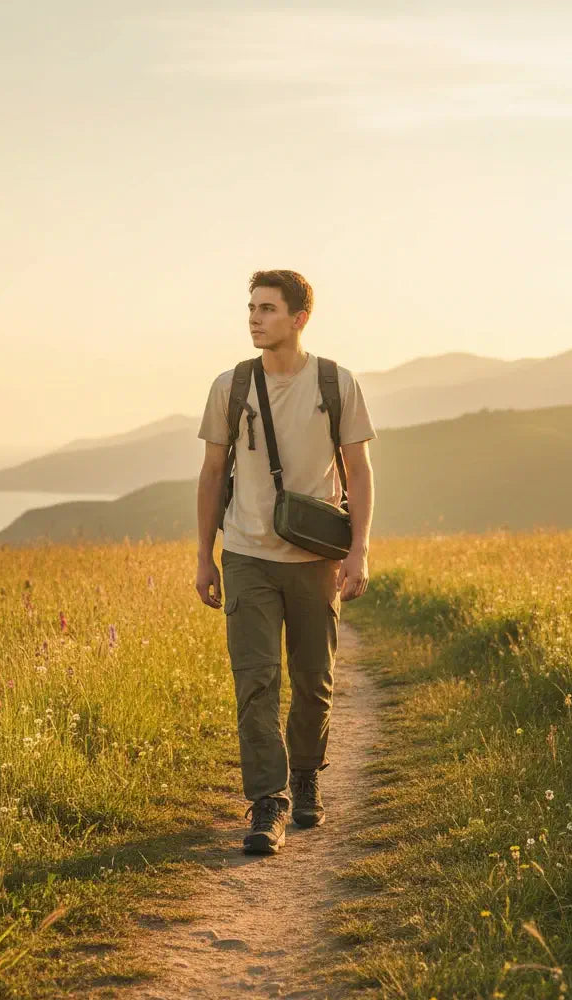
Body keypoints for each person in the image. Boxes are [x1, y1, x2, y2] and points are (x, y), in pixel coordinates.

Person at [194, 269, 377, 855]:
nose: (254, 317)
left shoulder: (335, 384)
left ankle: (304, 776)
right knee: (255, 682)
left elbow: (361, 471)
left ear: (299, 318)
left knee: (313, 683)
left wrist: (358, 551)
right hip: (247, 554)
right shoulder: (231, 386)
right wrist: (205, 556)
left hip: (316, 559)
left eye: (268, 308)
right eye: (251, 307)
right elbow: (210, 473)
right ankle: (266, 799)